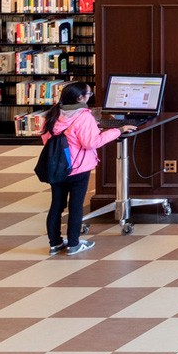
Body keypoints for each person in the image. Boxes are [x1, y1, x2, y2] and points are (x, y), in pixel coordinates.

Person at [40, 82, 121, 257]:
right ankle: (74, 244)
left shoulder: (52, 114)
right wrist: (117, 131)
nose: (89, 97)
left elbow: (46, 138)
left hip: (57, 167)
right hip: (79, 169)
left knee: (56, 205)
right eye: (88, 94)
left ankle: (55, 243)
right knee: (76, 206)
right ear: (80, 98)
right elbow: (91, 142)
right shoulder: (84, 117)